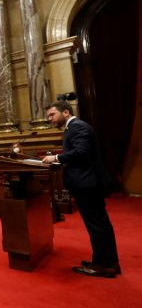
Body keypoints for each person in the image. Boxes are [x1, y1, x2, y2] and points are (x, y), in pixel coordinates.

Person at [42, 101, 120, 278]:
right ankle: (109, 262)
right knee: (100, 224)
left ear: (66, 112)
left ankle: (103, 266)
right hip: (87, 182)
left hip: (87, 184)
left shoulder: (77, 127)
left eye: (52, 115)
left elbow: (82, 152)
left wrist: (56, 157)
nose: (50, 119)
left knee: (97, 225)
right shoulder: (75, 128)